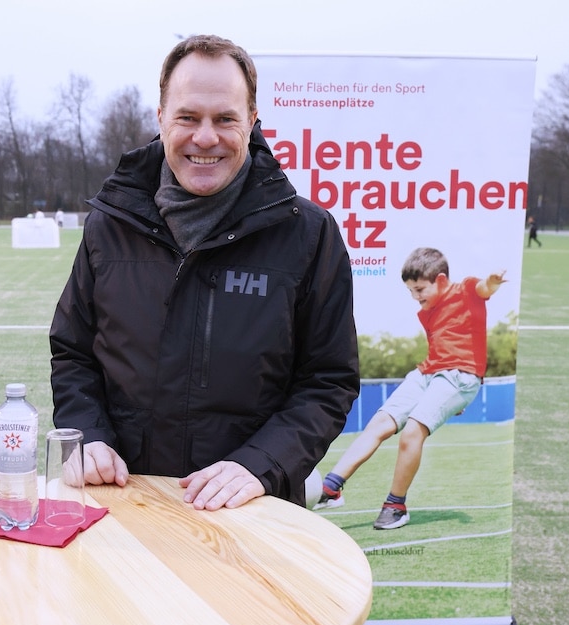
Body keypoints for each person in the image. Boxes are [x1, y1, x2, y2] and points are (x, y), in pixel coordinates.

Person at [49, 35, 359, 511]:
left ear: (252, 121)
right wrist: (88, 437)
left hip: (252, 510)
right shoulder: (109, 225)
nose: (206, 137)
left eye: (225, 119)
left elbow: (328, 380)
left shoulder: (308, 234)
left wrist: (260, 463)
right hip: (124, 504)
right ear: (161, 118)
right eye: (188, 117)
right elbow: (74, 353)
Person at [314, 247, 506, 530]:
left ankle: (396, 505)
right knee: (380, 422)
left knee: (413, 431)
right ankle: (331, 488)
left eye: (419, 289)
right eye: (411, 292)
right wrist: (445, 399)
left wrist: (491, 282)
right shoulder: (426, 313)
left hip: (458, 377)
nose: (416, 297)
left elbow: (483, 288)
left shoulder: (465, 290)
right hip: (428, 374)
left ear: (440, 281)